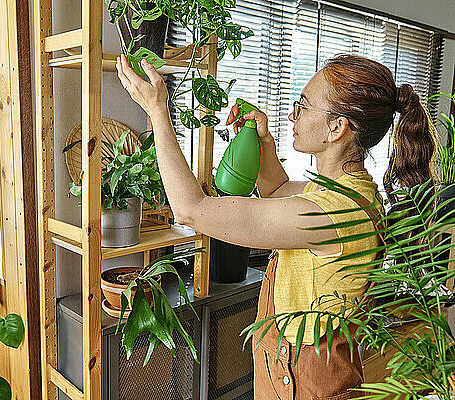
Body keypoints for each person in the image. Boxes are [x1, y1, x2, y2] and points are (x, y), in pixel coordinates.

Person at [116, 53, 436, 399]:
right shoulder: (347, 190)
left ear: (337, 127)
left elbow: (191, 210)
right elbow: (279, 193)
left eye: (304, 105)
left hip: (305, 381)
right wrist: (265, 144)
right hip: (299, 369)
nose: (291, 113)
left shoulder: (331, 214)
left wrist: (158, 113)